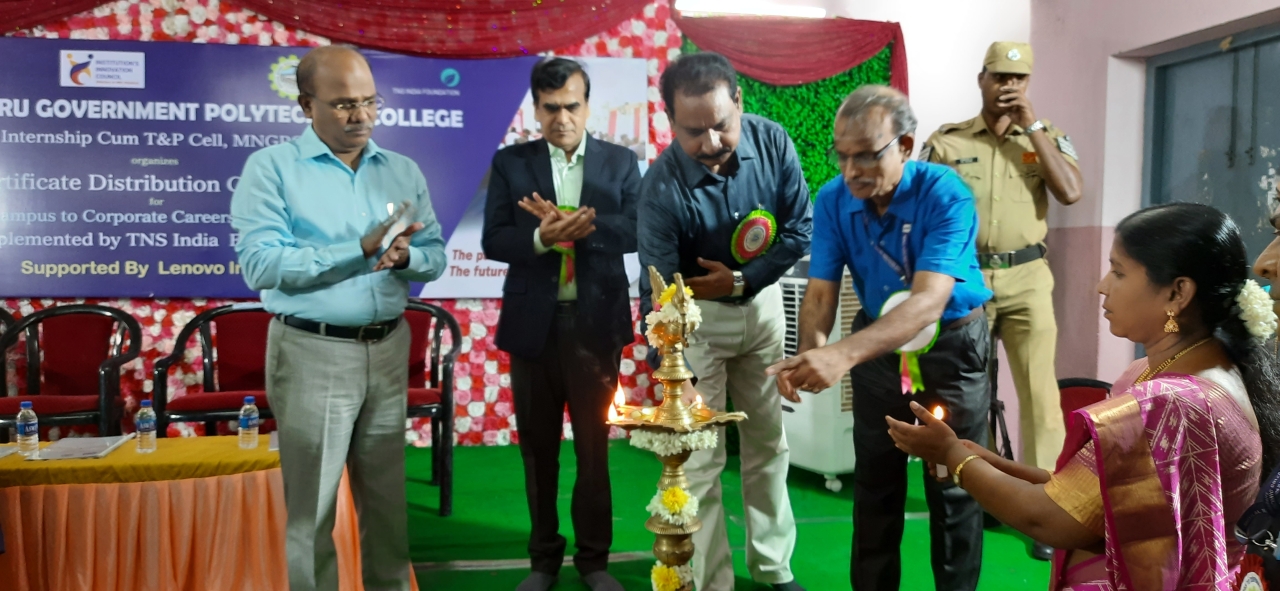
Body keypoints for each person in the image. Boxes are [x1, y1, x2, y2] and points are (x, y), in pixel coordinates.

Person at [888, 202, 1280, 590]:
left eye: (1119, 272)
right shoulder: (1177, 371)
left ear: (1178, 292)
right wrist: (982, 458)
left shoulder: (1169, 402)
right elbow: (1085, 493)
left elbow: (1051, 518)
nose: (1102, 285)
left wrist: (953, 457)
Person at [231, 45, 446, 591]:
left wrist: (407, 258)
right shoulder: (272, 169)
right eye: (345, 104)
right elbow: (261, 266)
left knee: (388, 506)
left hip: (389, 347)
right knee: (313, 511)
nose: (362, 117)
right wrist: (360, 250)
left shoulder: (402, 169)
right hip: (312, 352)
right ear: (307, 106)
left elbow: (437, 255)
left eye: (371, 102)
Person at [769, 86, 991, 591]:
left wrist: (840, 355)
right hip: (878, 357)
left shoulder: (945, 194)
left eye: (867, 155)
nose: (851, 172)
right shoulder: (832, 199)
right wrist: (810, 353)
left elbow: (928, 301)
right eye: (842, 156)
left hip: (951, 348)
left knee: (955, 485)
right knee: (875, 485)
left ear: (906, 145)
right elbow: (822, 294)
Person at [637, 51, 810, 591]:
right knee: (702, 463)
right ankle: (713, 582)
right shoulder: (660, 188)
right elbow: (661, 292)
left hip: (762, 312)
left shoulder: (773, 142)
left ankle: (774, 567)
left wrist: (740, 282)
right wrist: (677, 374)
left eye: (721, 125)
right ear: (669, 120)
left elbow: (799, 232)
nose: (711, 143)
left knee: (768, 445)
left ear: (739, 101)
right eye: (694, 132)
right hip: (696, 327)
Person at [481, 57, 639, 591]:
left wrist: (583, 227)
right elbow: (494, 239)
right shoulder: (512, 164)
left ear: (588, 105)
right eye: (550, 108)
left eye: (572, 106)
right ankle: (543, 561)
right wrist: (540, 239)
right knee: (538, 451)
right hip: (533, 329)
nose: (562, 118)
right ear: (535, 108)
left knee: (594, 450)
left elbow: (638, 228)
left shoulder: (620, 162)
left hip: (596, 326)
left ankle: (594, 561)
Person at [921, 45, 1084, 554]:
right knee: (966, 394)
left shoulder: (1046, 138)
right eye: (999, 76)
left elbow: (1071, 192)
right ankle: (978, 497)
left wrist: (1033, 129)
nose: (1008, 86)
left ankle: (1050, 509)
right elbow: (921, 206)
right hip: (967, 282)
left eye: (1018, 77)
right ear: (981, 79)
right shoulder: (947, 142)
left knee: (1040, 395)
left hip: (1028, 277)